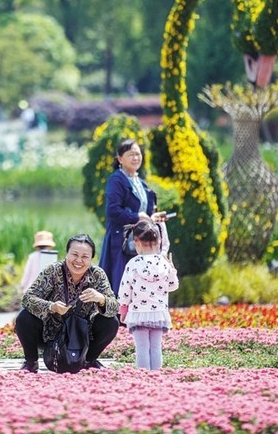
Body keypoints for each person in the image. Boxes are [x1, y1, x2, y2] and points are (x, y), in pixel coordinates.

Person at [15, 234, 120, 373]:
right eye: (74, 254)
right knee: (24, 317)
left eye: (85, 257)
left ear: (91, 259)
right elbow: (27, 298)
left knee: (111, 321)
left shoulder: (97, 274)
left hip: (82, 334)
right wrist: (51, 307)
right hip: (50, 333)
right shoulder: (53, 271)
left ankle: (89, 360)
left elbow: (115, 307)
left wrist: (101, 299)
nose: (78, 261)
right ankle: (31, 362)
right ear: (66, 254)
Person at [99, 139, 171, 294]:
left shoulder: (140, 181)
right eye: (131, 154)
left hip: (140, 241)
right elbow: (113, 211)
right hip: (122, 242)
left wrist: (153, 217)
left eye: (138, 154)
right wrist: (137, 217)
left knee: (139, 288)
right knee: (121, 285)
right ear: (120, 158)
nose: (136, 158)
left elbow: (144, 211)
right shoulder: (116, 180)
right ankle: (120, 317)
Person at [117, 220, 179, 370]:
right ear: (158, 241)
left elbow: (125, 291)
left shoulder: (133, 264)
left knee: (142, 348)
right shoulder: (163, 263)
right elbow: (173, 286)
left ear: (136, 242)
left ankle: (143, 377)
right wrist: (172, 269)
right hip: (158, 314)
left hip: (139, 313)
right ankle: (155, 376)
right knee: (156, 348)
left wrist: (123, 311)